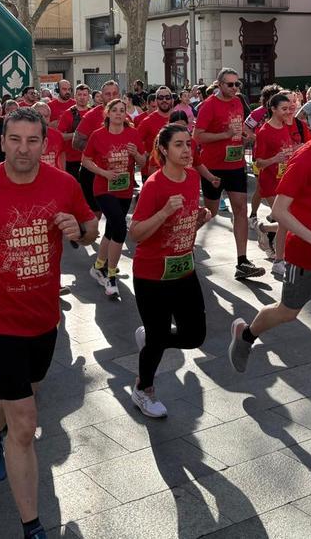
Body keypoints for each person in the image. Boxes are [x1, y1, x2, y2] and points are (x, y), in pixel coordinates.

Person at [0, 109, 97, 539]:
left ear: (44, 143)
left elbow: (90, 226)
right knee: (25, 422)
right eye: (15, 139)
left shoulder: (63, 185)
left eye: (33, 140)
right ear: (2, 141)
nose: (23, 149)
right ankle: (33, 526)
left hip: (44, 319)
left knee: (14, 408)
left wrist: (78, 231)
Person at [228, 96, 311, 372]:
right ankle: (246, 335)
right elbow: (279, 211)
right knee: (287, 313)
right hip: (306, 255)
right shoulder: (304, 160)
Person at [128, 122, 211, 417]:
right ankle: (143, 389)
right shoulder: (154, 185)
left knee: (195, 336)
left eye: (188, 143)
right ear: (163, 150)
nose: (187, 150)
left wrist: (199, 219)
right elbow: (136, 233)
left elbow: (184, 224)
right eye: (178, 145)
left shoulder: (191, 177)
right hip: (152, 276)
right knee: (158, 336)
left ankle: (153, 337)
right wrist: (164, 212)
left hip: (184, 269)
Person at [194, 67, 264, 280]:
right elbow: (198, 136)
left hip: (235, 165)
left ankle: (242, 261)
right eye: (229, 84)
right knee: (210, 212)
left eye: (237, 84)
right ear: (219, 85)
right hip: (213, 167)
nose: (234, 88)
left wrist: (243, 138)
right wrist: (224, 135)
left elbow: (239, 127)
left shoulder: (237, 102)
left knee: (241, 209)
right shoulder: (208, 106)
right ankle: (183, 239)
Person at [82, 98, 145, 297]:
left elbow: (144, 163)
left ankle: (98, 266)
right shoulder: (98, 135)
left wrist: (136, 154)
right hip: (103, 188)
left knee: (111, 229)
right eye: (115, 110)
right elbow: (86, 160)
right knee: (118, 226)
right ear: (107, 114)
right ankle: (111, 275)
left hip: (124, 190)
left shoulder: (132, 134)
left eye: (122, 110)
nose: (119, 113)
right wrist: (104, 173)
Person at [251, 92, 311, 276]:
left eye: (289, 108)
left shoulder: (288, 126)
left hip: (286, 180)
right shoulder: (264, 132)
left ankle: (264, 228)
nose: (288, 112)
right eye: (284, 109)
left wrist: (296, 150)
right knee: (286, 221)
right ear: (273, 109)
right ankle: (279, 260)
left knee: (291, 220)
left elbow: (290, 149)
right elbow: (258, 162)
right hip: (269, 184)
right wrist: (274, 159)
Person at [58, 84, 95, 210]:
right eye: (79, 95)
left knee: (90, 195)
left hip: (91, 160)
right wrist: (77, 135)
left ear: (89, 97)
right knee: (75, 193)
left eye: (85, 95)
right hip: (72, 160)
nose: (82, 98)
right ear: (75, 96)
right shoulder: (68, 114)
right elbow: (60, 136)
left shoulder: (94, 112)